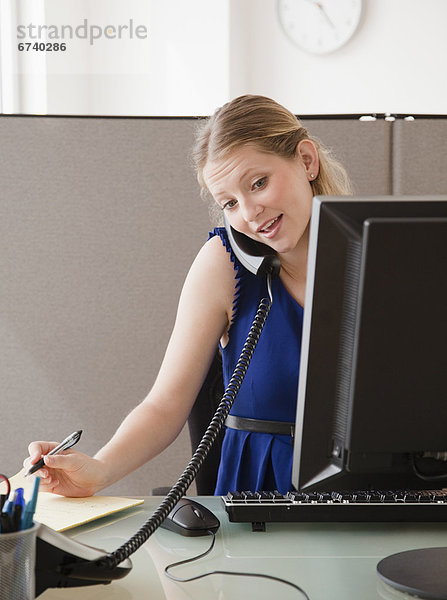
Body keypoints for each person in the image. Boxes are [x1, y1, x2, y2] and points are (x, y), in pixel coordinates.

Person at [24, 95, 352, 497]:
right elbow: (165, 406)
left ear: (306, 160)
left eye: (258, 183)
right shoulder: (224, 265)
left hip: (370, 496)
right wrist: (100, 470)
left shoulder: (381, 253)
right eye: (229, 202)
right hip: (261, 502)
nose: (249, 213)